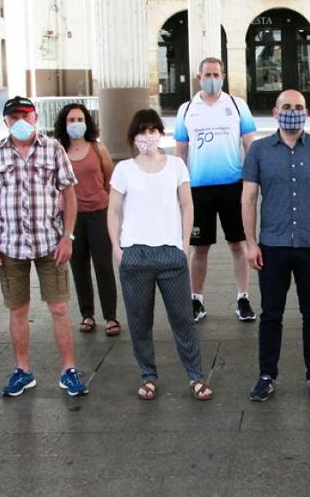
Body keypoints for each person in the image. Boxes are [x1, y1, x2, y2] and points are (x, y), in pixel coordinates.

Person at [0, 96, 87, 397]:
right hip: (10, 245)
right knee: (17, 310)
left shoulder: (53, 149)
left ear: (35, 117)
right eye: (14, 118)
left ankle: (68, 370)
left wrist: (68, 236)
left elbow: (69, 193)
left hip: (50, 242)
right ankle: (22, 370)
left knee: (59, 307)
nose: (20, 122)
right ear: (5, 122)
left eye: (26, 116)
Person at [242, 90, 310, 402]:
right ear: (275, 112)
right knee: (271, 314)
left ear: (307, 112)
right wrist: (251, 243)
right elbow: (248, 198)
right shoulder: (259, 150)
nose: (293, 111)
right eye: (286, 107)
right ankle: (266, 375)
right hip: (272, 245)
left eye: (299, 107)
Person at [107, 110, 212, 401]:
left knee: (183, 320)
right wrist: (117, 249)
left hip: (170, 253)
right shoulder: (124, 169)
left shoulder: (176, 165)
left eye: (153, 131)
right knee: (139, 322)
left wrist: (184, 245)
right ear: (133, 136)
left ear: (160, 133)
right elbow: (113, 211)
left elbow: (187, 205)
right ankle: (148, 376)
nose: (148, 137)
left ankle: (195, 376)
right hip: (135, 254)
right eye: (142, 132)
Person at [174, 57, 258, 322]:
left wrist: (250, 181)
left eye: (216, 74)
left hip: (233, 186)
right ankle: (196, 300)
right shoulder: (187, 109)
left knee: (238, 244)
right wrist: (179, 188)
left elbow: (250, 145)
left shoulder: (237, 105)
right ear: (199, 77)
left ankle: (243, 298)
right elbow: (180, 152)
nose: (212, 79)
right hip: (199, 189)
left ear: (223, 77)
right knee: (199, 248)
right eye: (207, 74)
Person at [54, 103, 120, 337]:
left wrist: (108, 206)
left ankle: (110, 316)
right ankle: (87, 314)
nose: (75, 124)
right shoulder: (58, 151)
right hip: (71, 218)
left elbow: (110, 179)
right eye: (71, 120)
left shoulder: (97, 148)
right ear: (64, 124)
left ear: (87, 122)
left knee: (103, 266)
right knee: (78, 266)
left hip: (99, 213)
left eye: (79, 119)